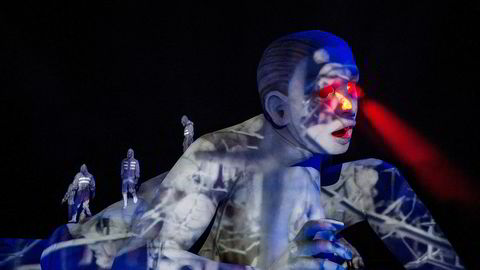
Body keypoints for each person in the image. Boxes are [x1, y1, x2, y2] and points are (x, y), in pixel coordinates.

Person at [40, 31, 463, 270]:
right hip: (103, 242)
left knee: (377, 178)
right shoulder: (219, 157)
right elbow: (140, 258)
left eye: (350, 87)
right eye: (330, 92)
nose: (350, 107)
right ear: (279, 108)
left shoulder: (331, 169)